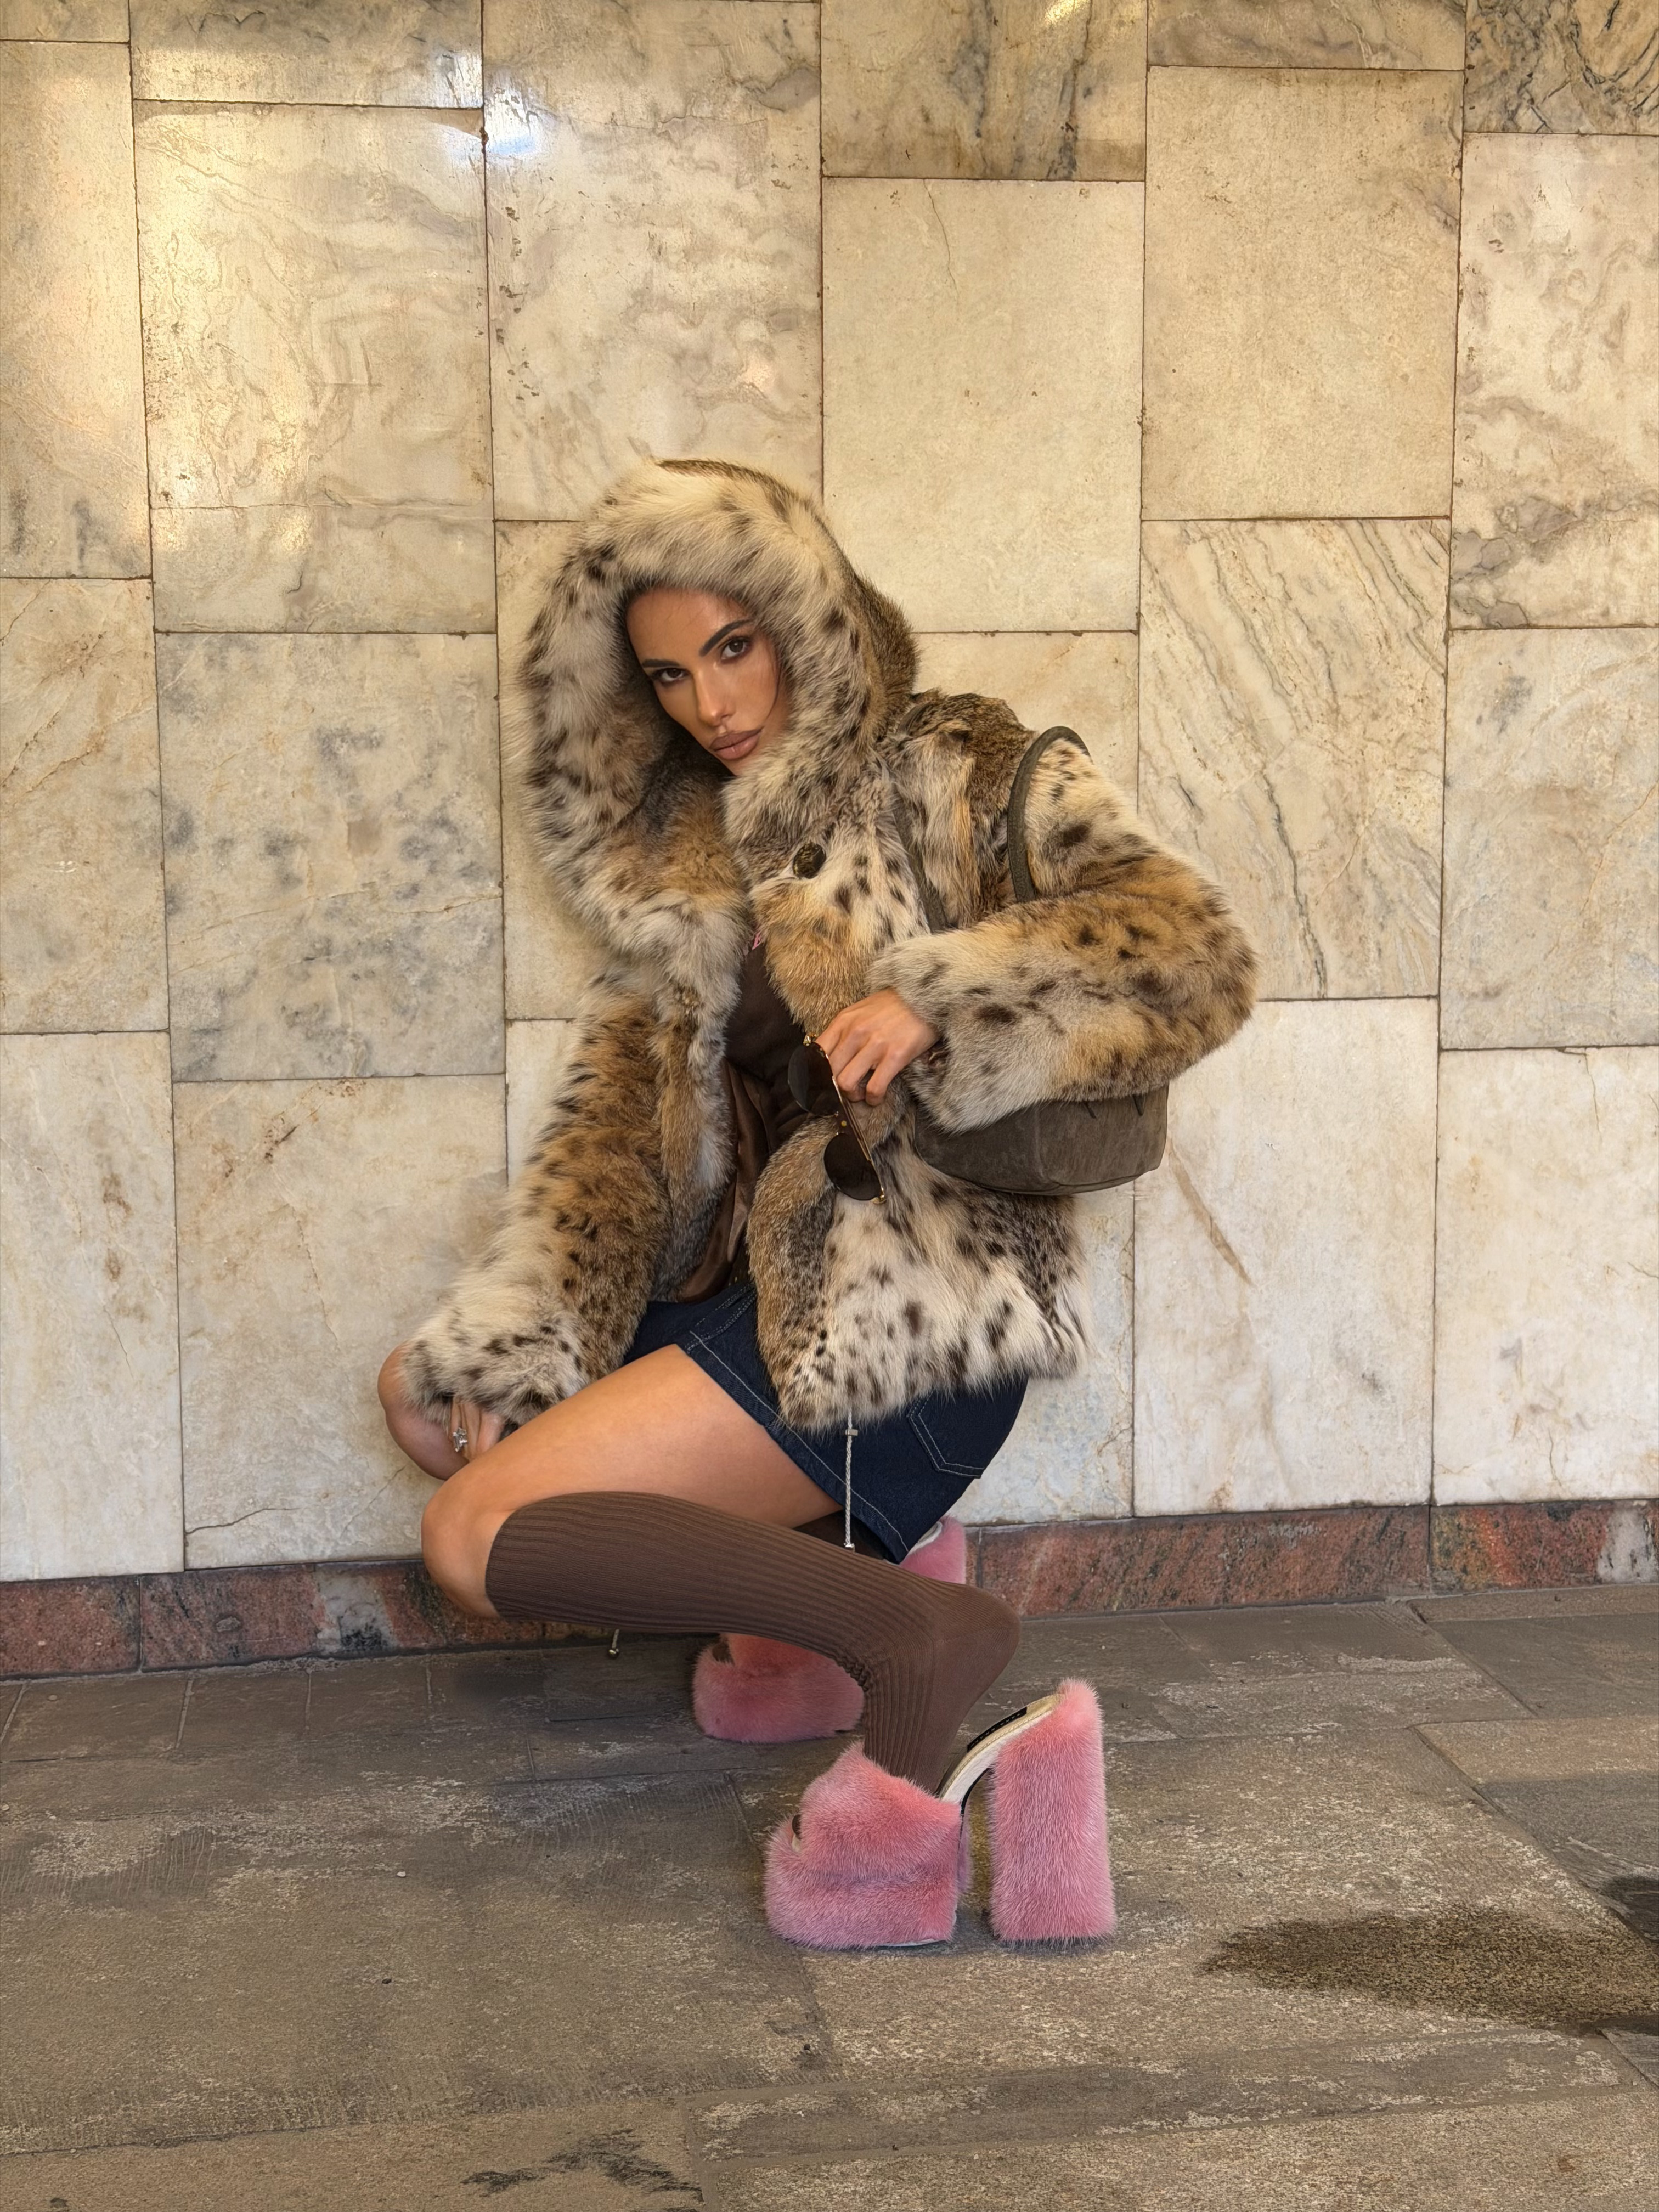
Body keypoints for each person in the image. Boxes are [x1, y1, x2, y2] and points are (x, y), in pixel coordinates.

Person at [378, 457, 1256, 1947]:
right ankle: (853, 1600)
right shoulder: (685, 870)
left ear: (808, 620)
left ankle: (911, 1632)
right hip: (750, 1309)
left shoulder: (954, 766)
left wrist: (941, 996)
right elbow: (618, 1165)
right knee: (442, 1420)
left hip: (904, 1329)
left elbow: (1189, 949)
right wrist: (509, 1339)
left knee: (472, 1535)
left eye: (736, 647)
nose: (713, 705)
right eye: (670, 676)